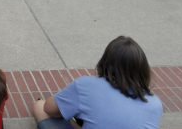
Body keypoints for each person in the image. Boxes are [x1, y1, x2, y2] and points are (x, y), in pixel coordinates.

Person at [32, 36, 162, 129]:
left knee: (39, 107)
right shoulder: (155, 103)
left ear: (105, 63)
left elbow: (48, 108)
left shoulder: (86, 85)